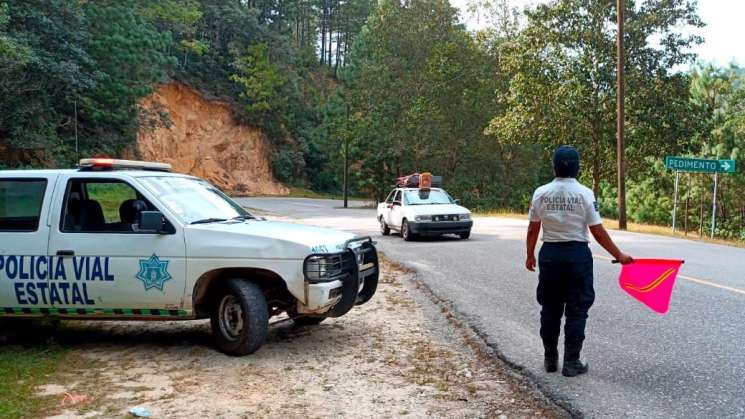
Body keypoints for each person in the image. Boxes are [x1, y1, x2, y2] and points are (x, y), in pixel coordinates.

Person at [525, 145, 633, 377]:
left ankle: (550, 359)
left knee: (550, 309)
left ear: (554, 166)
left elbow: (533, 229)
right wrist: (619, 255)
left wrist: (530, 254)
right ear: (578, 168)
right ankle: (571, 362)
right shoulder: (585, 193)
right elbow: (598, 231)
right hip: (577, 256)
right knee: (576, 310)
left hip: (550, 255)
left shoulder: (540, 193)